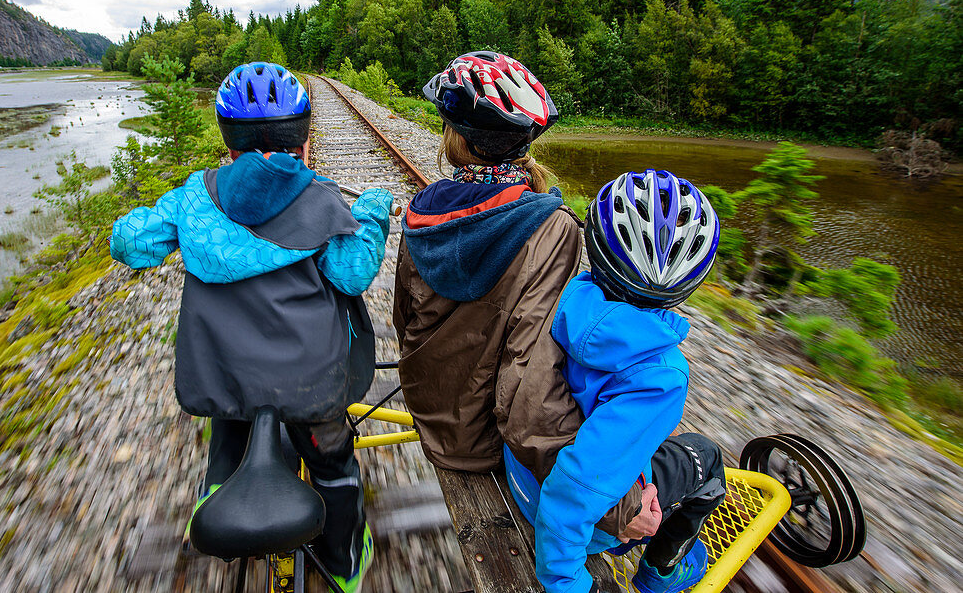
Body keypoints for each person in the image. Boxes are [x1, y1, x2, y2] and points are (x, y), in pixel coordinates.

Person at [110, 61, 391, 593]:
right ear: (305, 145)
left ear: (229, 147)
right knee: (332, 464)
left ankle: (219, 491)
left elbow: (130, 243)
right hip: (310, 386)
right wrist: (373, 215)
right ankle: (345, 560)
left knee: (228, 427)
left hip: (225, 379)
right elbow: (351, 277)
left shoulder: (194, 198)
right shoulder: (323, 198)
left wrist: (139, 225)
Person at [503, 169, 727, 593]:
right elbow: (575, 488)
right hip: (560, 516)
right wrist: (565, 580)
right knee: (707, 458)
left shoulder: (570, 298)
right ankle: (662, 572)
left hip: (519, 469)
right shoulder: (662, 378)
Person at [393, 50, 584, 484]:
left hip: (427, 408)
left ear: (456, 137)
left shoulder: (423, 211)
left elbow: (404, 321)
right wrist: (614, 505)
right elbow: (529, 380)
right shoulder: (553, 228)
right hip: (486, 445)